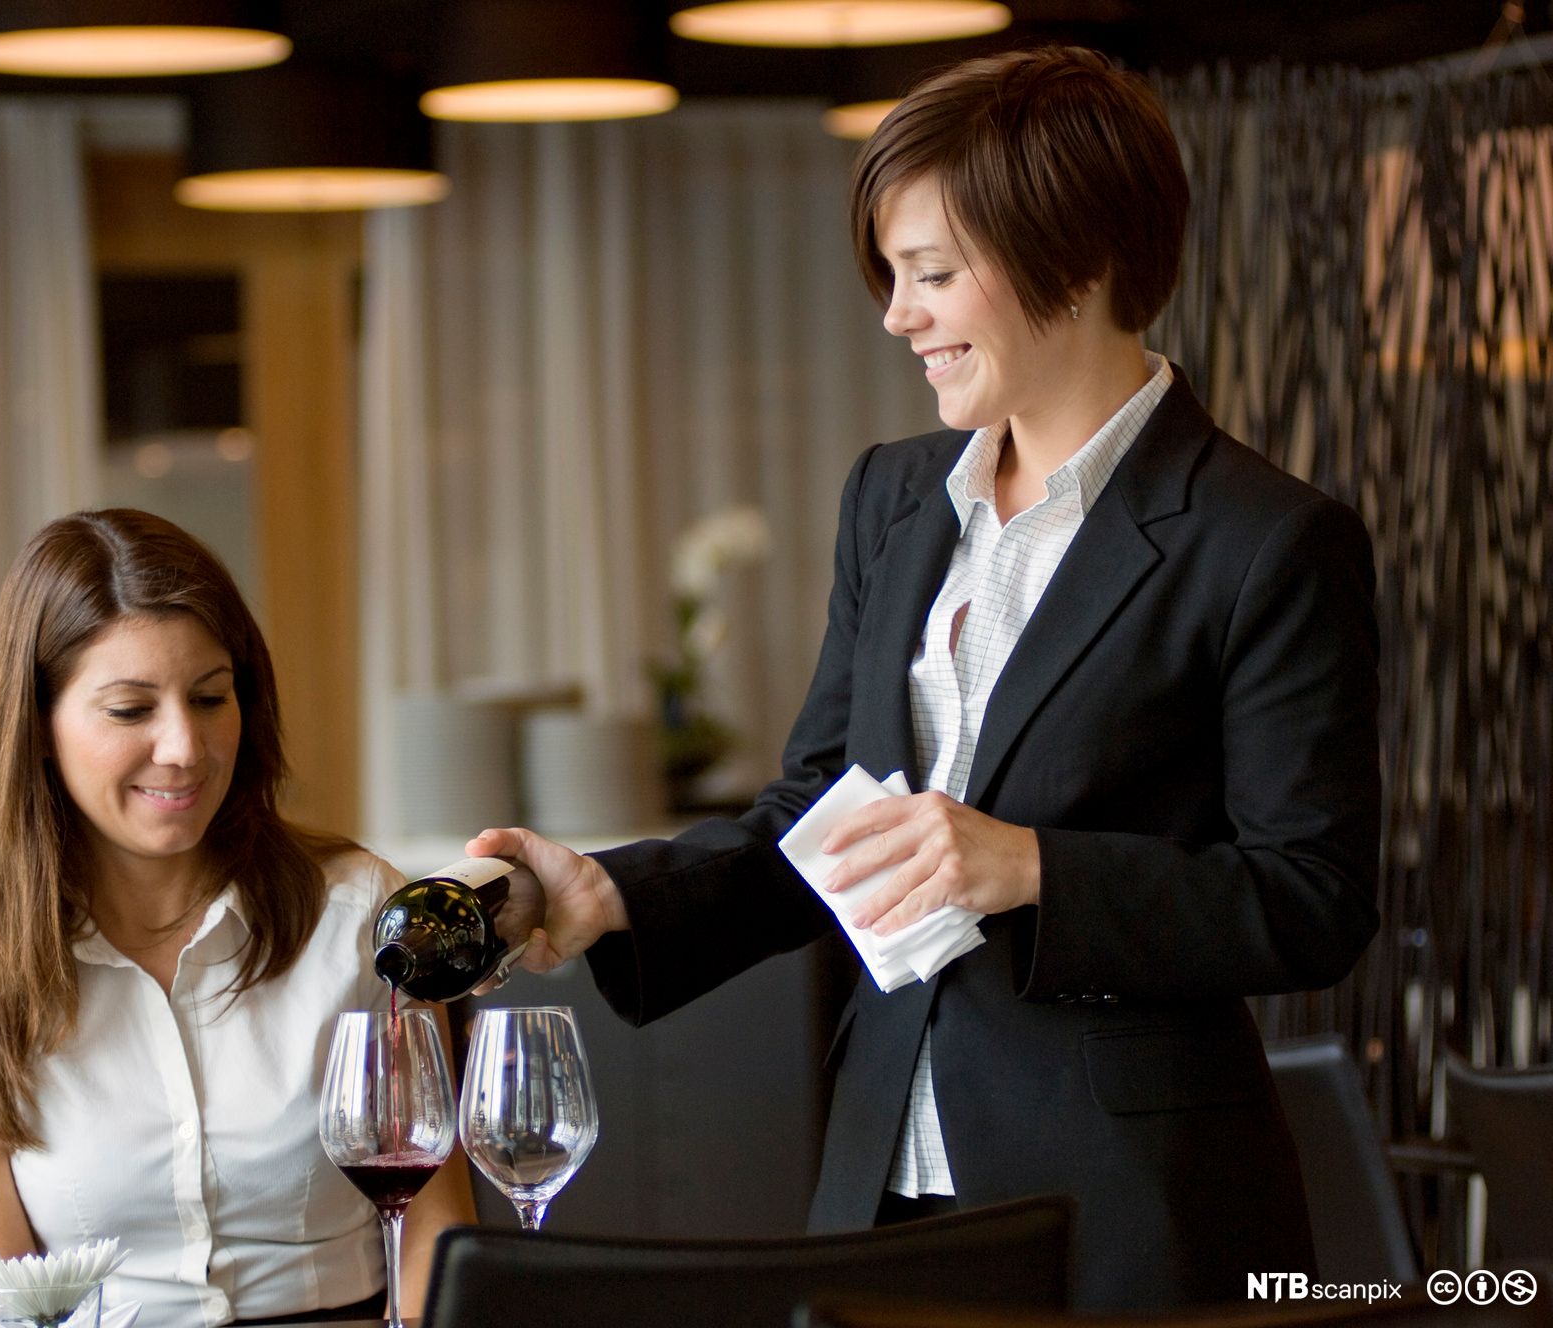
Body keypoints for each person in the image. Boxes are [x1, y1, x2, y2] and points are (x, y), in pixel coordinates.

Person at [470, 46, 1380, 1311]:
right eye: (892, 276)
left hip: (1127, 1196)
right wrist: (615, 890)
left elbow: (1312, 896)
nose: (898, 315)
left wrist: (1030, 865)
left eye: (932, 273)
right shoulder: (893, 497)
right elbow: (822, 809)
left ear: (1079, 255)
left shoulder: (1263, 540)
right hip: (883, 1163)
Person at [0, 509, 475, 1325]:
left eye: (210, 697)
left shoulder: (360, 915)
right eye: (129, 710)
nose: (184, 746)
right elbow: (7, 1310)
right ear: (36, 727)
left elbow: (434, 1236)